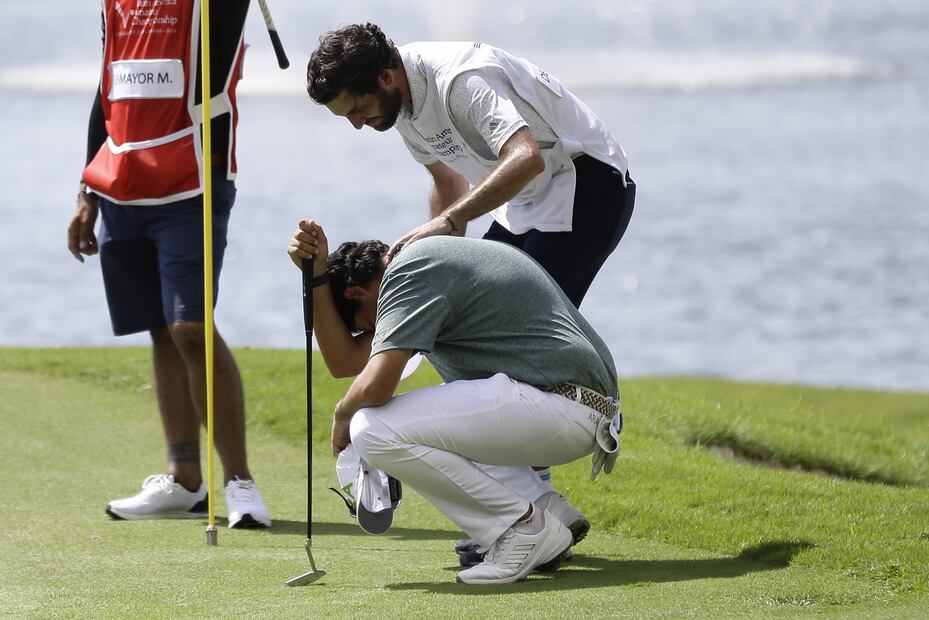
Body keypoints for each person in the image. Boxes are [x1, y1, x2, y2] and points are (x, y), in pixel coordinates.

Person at [306, 22, 635, 560]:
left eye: (358, 110)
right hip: (526, 201)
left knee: (509, 353)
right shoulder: (401, 109)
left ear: (386, 76)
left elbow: (524, 154)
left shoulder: (460, 81)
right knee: (462, 337)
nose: (360, 126)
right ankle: (540, 507)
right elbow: (448, 188)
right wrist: (422, 267)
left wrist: (449, 226)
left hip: (586, 184)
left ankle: (530, 518)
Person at [287, 220, 622, 584]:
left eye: (365, 326)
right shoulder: (420, 267)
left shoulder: (408, 272)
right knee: (432, 416)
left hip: (563, 405)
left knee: (371, 428)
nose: (372, 334)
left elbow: (376, 384)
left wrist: (341, 414)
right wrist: (315, 278)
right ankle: (545, 507)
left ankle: (522, 528)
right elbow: (345, 362)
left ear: (355, 294)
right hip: (579, 409)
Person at [67, 0, 270, 528]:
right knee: (159, 328)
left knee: (190, 328)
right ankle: (184, 480)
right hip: (122, 185)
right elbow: (108, 86)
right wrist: (87, 188)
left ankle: (240, 484)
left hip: (193, 181)